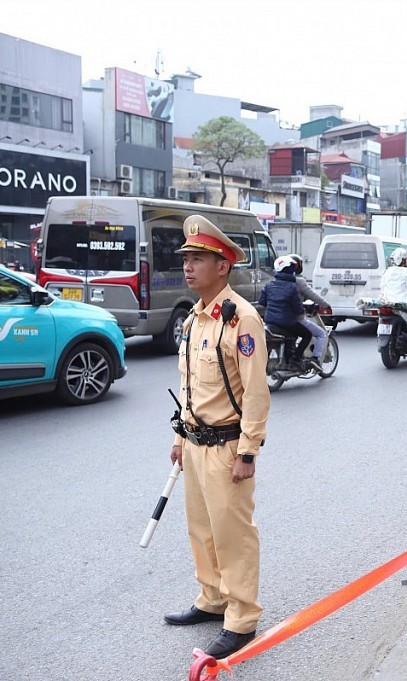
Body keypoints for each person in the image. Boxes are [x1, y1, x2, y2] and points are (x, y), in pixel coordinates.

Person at [164, 215, 270, 660]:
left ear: (222, 266)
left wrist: (247, 451)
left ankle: (242, 616)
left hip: (228, 447)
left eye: (198, 259)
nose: (188, 266)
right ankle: (212, 598)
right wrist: (180, 436)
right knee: (202, 529)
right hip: (195, 442)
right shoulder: (194, 318)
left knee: (233, 534)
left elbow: (257, 391)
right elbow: (191, 385)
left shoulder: (241, 320)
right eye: (186, 258)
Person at [258, 255, 313, 370]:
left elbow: (262, 302)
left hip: (269, 321)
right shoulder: (292, 287)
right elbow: (297, 309)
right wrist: (303, 310)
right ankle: (295, 360)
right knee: (307, 334)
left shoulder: (268, 285)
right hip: (287, 322)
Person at [288, 253, 331, 371]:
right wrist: (326, 305)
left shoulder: (275, 281)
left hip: (273, 319)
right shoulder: (298, 281)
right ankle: (315, 359)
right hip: (293, 319)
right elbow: (312, 295)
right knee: (321, 333)